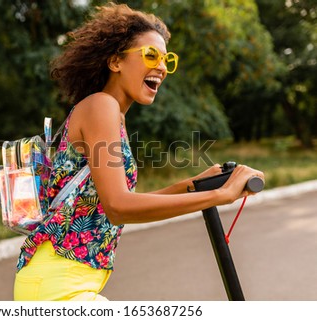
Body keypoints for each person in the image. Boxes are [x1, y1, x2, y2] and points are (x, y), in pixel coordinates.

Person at [13, 2, 264, 301]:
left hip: (64, 282)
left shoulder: (112, 114)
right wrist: (218, 196)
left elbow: (119, 204)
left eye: (166, 59)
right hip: (59, 287)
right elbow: (119, 206)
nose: (161, 66)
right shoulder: (101, 106)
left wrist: (193, 185)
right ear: (116, 61)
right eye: (150, 55)